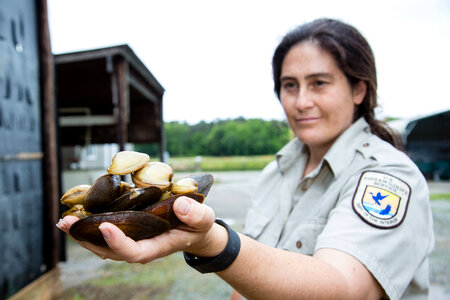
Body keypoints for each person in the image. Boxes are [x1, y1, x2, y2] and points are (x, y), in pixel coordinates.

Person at [57, 18, 434, 300]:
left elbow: (345, 288)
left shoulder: (387, 175)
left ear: (358, 90)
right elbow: (251, 286)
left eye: (319, 83)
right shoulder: (276, 172)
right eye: (290, 86)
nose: (301, 102)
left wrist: (212, 242)